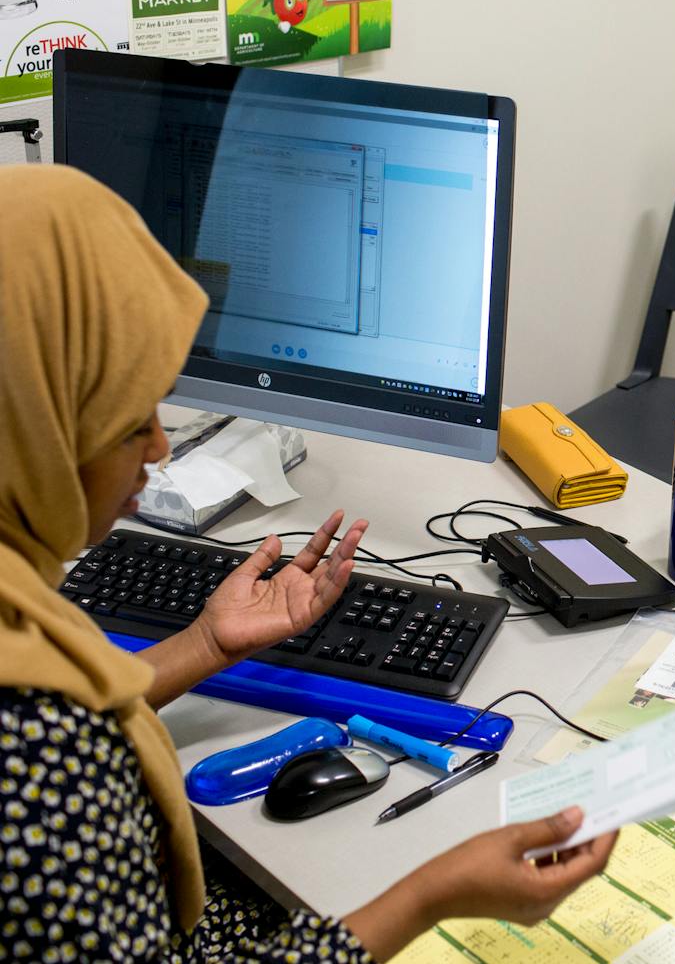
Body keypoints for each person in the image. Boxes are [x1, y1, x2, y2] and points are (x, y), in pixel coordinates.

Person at [0, 164, 616, 962]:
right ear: (33, 430)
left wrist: (206, 646)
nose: (158, 449)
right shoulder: (42, 763)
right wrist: (432, 894)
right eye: (125, 424)